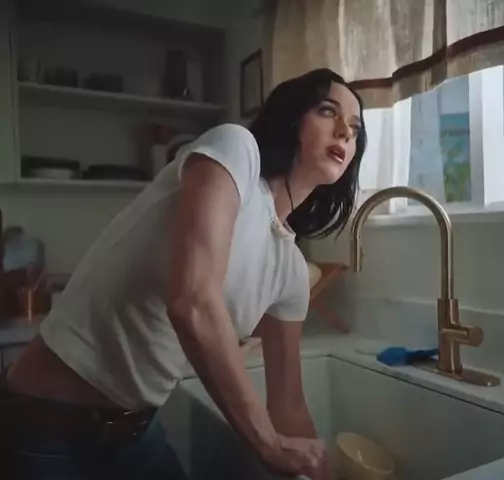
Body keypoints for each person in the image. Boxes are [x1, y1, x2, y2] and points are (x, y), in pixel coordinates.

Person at [0, 67, 367, 480]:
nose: (344, 132)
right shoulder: (236, 150)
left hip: (135, 432)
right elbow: (192, 302)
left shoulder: (292, 271)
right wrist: (267, 443)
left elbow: (288, 405)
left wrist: (318, 471)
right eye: (327, 111)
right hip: (42, 428)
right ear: (292, 118)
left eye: (355, 129)